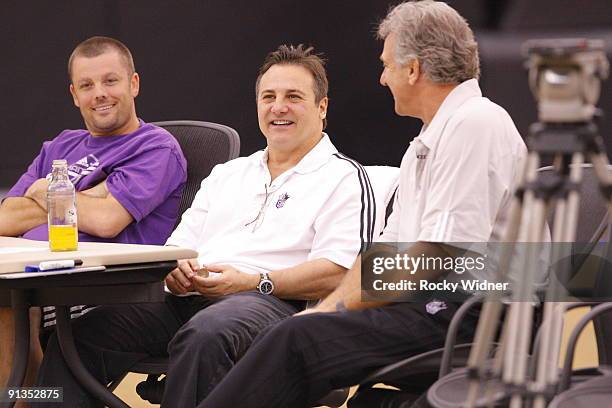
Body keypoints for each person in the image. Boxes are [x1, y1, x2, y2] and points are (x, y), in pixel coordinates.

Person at [200, 1, 529, 407]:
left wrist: (327, 313)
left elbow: (438, 256)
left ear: (413, 70)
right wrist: (327, 311)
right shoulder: (429, 140)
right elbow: (385, 253)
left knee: (294, 339)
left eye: (387, 65)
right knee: (298, 336)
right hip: (440, 307)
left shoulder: (476, 123)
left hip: (479, 315)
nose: (381, 77)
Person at [35, 44, 375, 408]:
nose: (278, 107)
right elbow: (178, 246)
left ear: (322, 107)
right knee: (84, 333)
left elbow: (339, 271)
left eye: (293, 97)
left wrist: (253, 281)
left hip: (274, 301)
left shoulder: (344, 177)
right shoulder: (229, 173)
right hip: (188, 298)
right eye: (268, 97)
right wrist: (175, 269)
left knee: (208, 334)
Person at [0, 36, 187, 394]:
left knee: (8, 302)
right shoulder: (60, 145)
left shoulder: (154, 147)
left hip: (98, 288)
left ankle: (30, 401)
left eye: (110, 81)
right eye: (87, 85)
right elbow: (6, 217)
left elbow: (106, 221)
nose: (99, 93)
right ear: (74, 94)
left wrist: (46, 190)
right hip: (36, 273)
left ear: (134, 84)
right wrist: (82, 197)